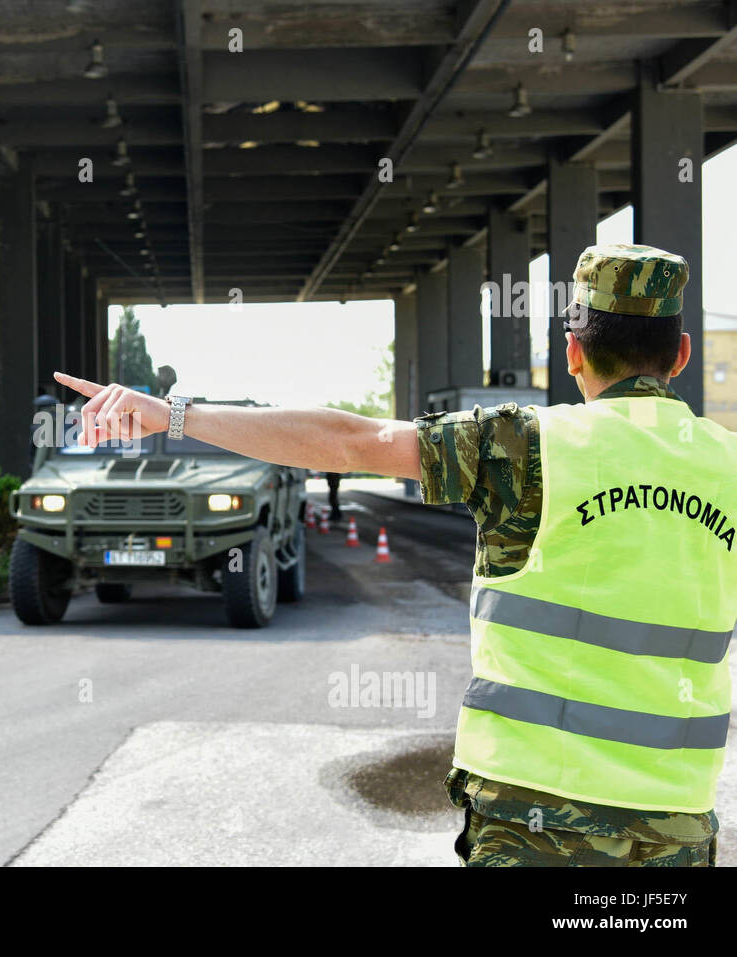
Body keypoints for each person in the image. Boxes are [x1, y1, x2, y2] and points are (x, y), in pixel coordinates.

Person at [53, 243, 736, 867]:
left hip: (536, 823)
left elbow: (358, 441)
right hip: (675, 829)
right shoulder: (729, 467)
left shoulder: (525, 446)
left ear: (574, 353)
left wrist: (174, 415)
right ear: (678, 357)